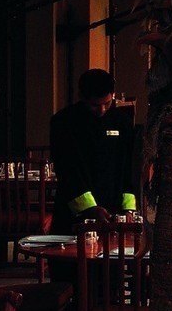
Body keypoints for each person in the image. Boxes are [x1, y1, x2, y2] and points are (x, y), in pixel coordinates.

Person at [48, 68, 139, 230]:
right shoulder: (63, 122)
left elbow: (128, 168)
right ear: (82, 97)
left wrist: (128, 208)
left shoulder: (122, 122)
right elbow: (67, 169)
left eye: (107, 103)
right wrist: (89, 208)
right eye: (95, 105)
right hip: (73, 209)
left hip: (114, 207)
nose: (102, 110)